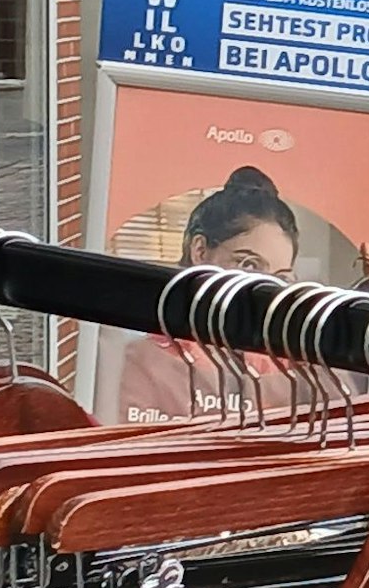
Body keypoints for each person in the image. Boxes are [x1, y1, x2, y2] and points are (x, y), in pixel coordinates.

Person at [113, 167, 299, 422]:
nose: (262, 290)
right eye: (248, 265)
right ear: (200, 250)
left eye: (279, 277)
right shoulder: (146, 359)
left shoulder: (288, 362)